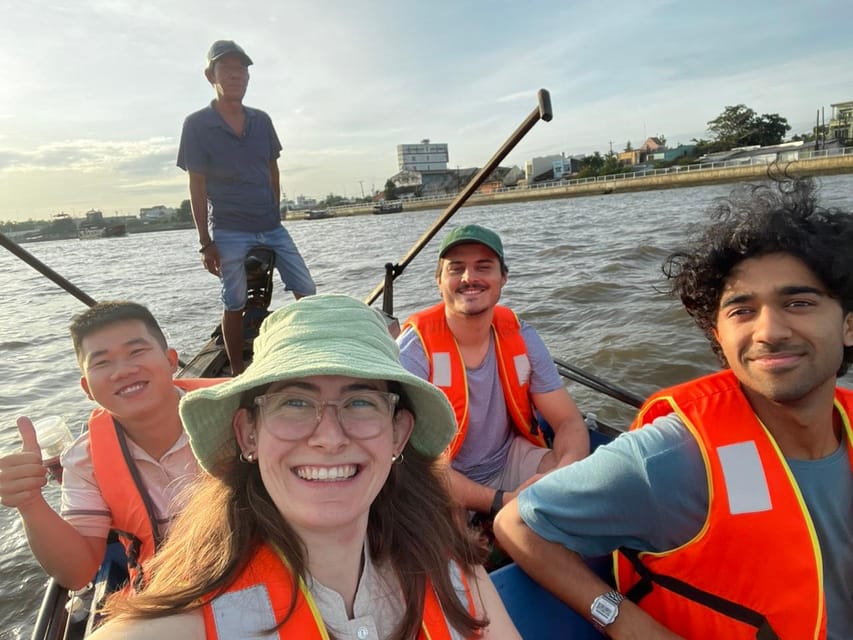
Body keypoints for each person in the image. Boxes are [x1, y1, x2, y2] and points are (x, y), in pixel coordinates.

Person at [494, 179, 853, 640]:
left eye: (799, 302)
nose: (771, 330)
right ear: (718, 336)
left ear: (847, 325)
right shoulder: (673, 458)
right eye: (742, 311)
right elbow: (519, 522)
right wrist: (627, 624)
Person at [89, 294, 520, 639]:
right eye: (294, 402)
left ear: (398, 433)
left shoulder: (456, 576)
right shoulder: (177, 627)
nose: (329, 437)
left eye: (360, 402)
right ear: (248, 434)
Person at [0, 301, 222, 590]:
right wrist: (30, 504)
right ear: (87, 389)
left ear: (170, 361)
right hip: (170, 591)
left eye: (136, 351)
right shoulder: (84, 462)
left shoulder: (235, 411)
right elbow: (77, 574)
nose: (123, 370)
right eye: (102, 362)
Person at [397, 224, 589, 517]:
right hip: (442, 476)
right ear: (439, 280)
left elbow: (568, 422)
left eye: (483, 267)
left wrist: (563, 475)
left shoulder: (520, 335)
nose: (468, 278)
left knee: (577, 487)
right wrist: (502, 500)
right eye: (456, 268)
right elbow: (413, 461)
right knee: (449, 547)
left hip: (507, 459)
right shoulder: (414, 351)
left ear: (503, 278)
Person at [177, 39, 315, 375]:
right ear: (212, 76)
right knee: (234, 300)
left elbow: (272, 169)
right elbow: (197, 184)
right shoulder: (196, 124)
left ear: (248, 78)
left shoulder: (261, 121)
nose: (236, 75)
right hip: (229, 228)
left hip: (271, 224)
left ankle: (313, 354)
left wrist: (275, 211)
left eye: (242, 69)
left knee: (307, 291)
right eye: (227, 68)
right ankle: (238, 371)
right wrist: (205, 241)